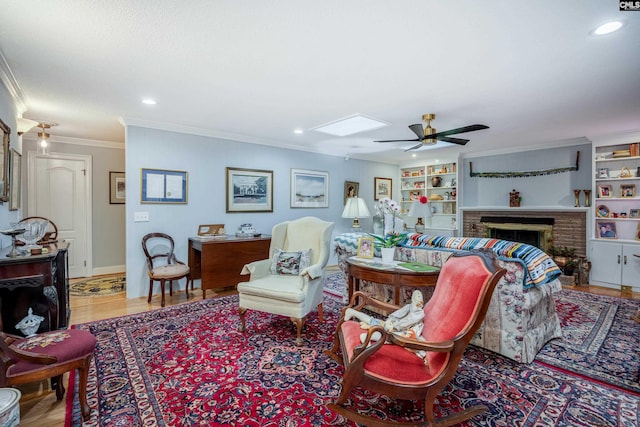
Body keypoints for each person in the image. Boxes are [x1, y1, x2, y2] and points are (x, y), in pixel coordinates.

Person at [344, 290, 428, 361]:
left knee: (375, 323)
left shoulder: (418, 313)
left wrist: (394, 325)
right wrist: (392, 322)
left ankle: (355, 316)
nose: (417, 305)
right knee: (378, 327)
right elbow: (403, 318)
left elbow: (407, 321)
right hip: (392, 328)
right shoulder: (412, 309)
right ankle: (353, 314)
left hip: (393, 329)